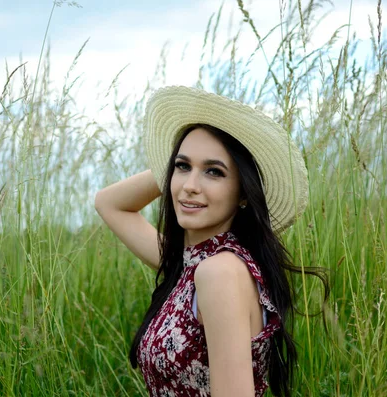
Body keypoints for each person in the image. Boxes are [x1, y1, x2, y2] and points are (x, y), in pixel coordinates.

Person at [94, 86, 328, 397]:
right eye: (182, 166)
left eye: (214, 172)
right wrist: (174, 165)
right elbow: (109, 203)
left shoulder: (218, 272)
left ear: (244, 192)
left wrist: (184, 167)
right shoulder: (190, 263)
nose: (190, 186)